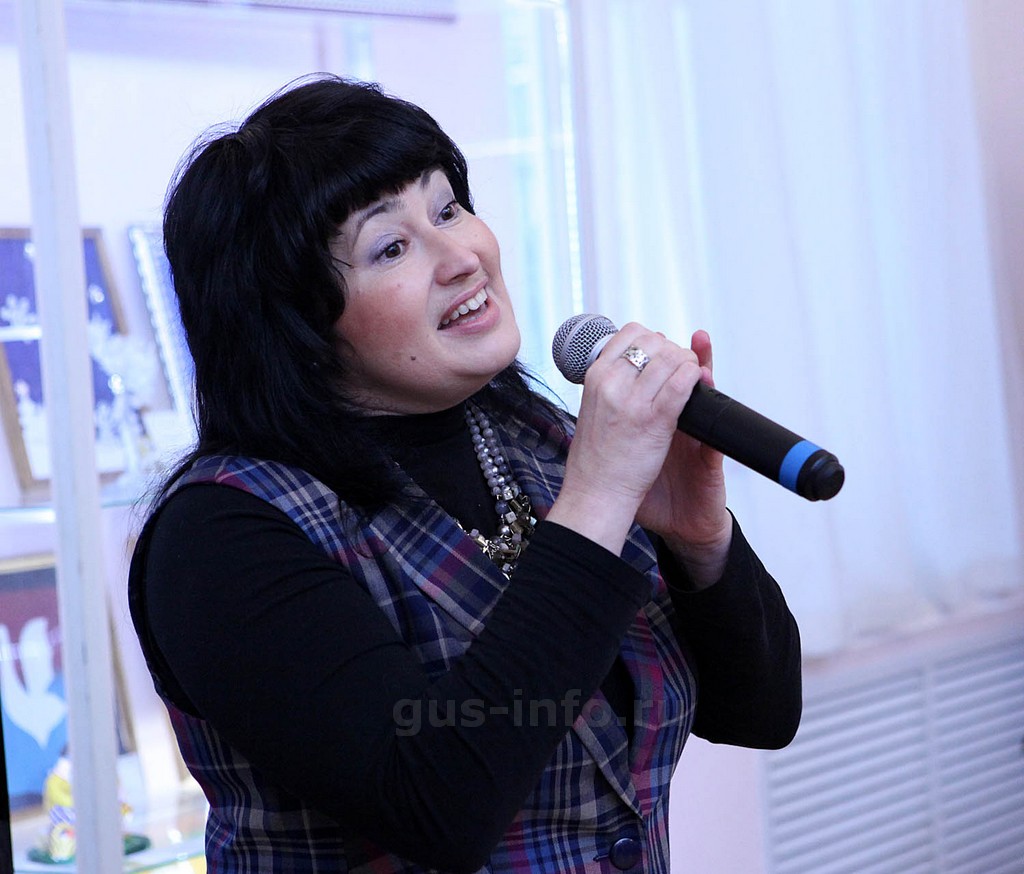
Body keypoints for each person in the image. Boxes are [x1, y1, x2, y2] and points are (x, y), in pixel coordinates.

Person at [128, 74, 801, 874]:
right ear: (293, 323)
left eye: (447, 209)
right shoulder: (221, 536)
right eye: (391, 247)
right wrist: (599, 497)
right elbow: (436, 803)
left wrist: (700, 542)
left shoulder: (537, 439)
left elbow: (760, 713)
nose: (463, 257)